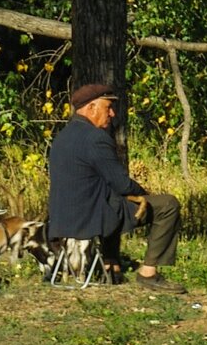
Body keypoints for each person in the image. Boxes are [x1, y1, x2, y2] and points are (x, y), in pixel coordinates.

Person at [48, 82, 186, 293]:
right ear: (91, 107)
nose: (112, 113)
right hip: (92, 220)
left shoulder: (61, 138)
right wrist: (144, 194)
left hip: (62, 221)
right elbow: (121, 184)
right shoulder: (95, 138)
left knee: (109, 200)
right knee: (167, 204)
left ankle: (111, 265)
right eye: (108, 107)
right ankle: (148, 273)